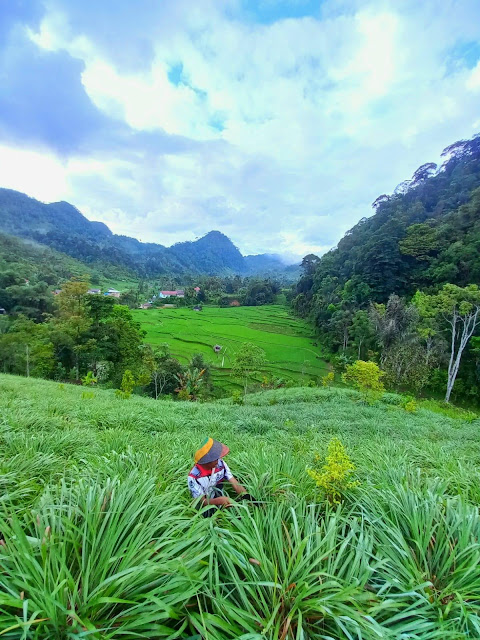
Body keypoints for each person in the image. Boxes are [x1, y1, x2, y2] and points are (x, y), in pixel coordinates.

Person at [188, 437, 254, 516]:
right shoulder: (194, 477)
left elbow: (234, 483)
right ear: (206, 461)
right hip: (203, 508)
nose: (218, 460)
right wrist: (219, 501)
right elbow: (202, 501)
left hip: (218, 496)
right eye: (215, 459)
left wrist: (250, 499)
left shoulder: (220, 464)